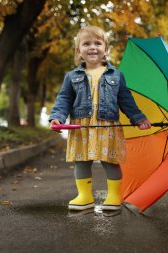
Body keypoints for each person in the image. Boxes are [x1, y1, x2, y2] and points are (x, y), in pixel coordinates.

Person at [49, 26, 151, 211]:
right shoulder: (71, 77)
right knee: (81, 161)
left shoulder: (116, 76)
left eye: (98, 43)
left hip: (107, 126)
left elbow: (126, 100)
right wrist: (57, 117)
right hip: (81, 126)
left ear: (106, 48)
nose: (92, 47)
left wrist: (138, 118)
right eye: (86, 43)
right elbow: (64, 99)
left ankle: (113, 196)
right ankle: (85, 196)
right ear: (79, 50)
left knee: (110, 160)